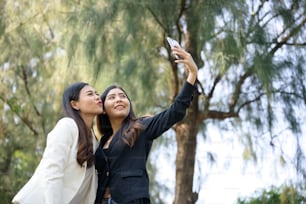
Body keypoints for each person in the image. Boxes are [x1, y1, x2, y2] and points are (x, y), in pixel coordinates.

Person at [94, 46, 198, 204]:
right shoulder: (102, 142)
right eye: (112, 97)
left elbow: (174, 112)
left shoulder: (140, 126)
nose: (118, 99)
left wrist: (192, 75)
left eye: (122, 96)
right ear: (103, 109)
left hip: (130, 199)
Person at [12, 82, 103, 204]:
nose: (97, 97)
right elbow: (52, 171)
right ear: (75, 104)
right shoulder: (67, 126)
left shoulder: (94, 140)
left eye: (97, 93)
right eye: (90, 94)